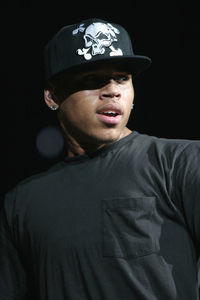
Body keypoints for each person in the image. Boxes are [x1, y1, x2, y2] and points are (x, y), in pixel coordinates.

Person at [0, 17, 199, 300]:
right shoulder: (21, 203)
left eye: (122, 78)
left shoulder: (182, 162)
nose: (112, 90)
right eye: (93, 79)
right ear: (52, 95)